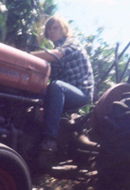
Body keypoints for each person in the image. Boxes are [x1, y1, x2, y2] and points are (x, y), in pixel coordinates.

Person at [32, 15, 94, 170]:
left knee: (57, 86)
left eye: (55, 28)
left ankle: (49, 141)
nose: (52, 31)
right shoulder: (53, 52)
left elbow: (57, 54)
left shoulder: (71, 43)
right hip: (63, 93)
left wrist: (25, 55)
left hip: (80, 93)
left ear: (64, 30)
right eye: (49, 29)